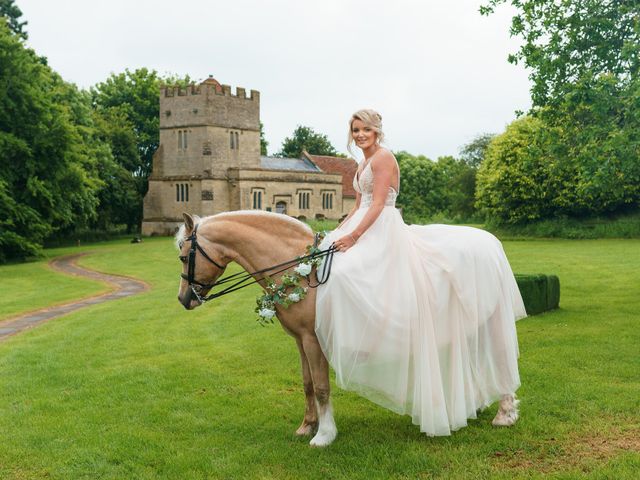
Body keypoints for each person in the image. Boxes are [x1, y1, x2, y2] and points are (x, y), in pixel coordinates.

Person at [315, 109, 526, 436]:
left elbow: (377, 204)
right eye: (355, 129)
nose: (359, 134)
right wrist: (332, 236)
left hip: (383, 227)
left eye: (365, 129)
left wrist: (355, 236)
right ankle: (364, 339)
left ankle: (368, 342)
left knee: (348, 275)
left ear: (377, 131)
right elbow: (356, 207)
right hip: (364, 223)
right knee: (334, 269)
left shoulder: (384, 159)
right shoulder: (361, 164)